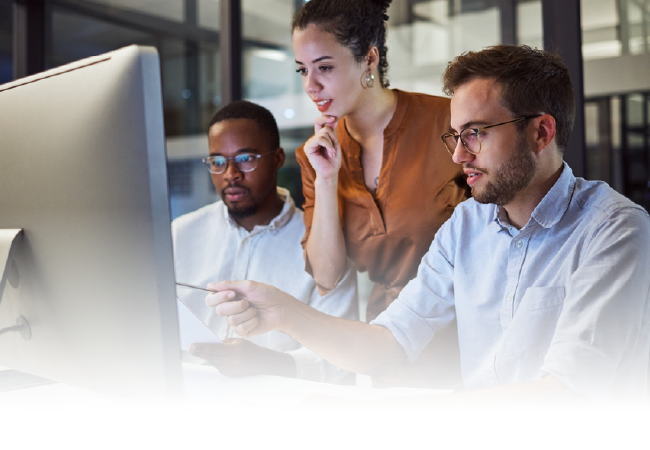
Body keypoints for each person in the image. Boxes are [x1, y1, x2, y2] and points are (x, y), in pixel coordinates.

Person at [205, 46, 650, 403]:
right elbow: (389, 341)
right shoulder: (466, 224)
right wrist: (285, 313)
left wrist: (424, 417)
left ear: (541, 132)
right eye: (455, 136)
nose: (458, 156)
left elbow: (569, 394)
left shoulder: (615, 230)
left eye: (476, 133)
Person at [292, 0, 468, 387]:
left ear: (368, 59)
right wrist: (326, 179)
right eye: (303, 70)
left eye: (324, 67)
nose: (310, 85)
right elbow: (327, 275)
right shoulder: (317, 155)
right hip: (385, 347)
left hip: (467, 338)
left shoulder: (449, 122)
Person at [172, 100, 358, 383]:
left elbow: (346, 360)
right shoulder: (181, 234)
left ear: (278, 159)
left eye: (246, 159)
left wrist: (272, 364)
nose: (230, 174)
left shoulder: (323, 247)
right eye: (218, 162)